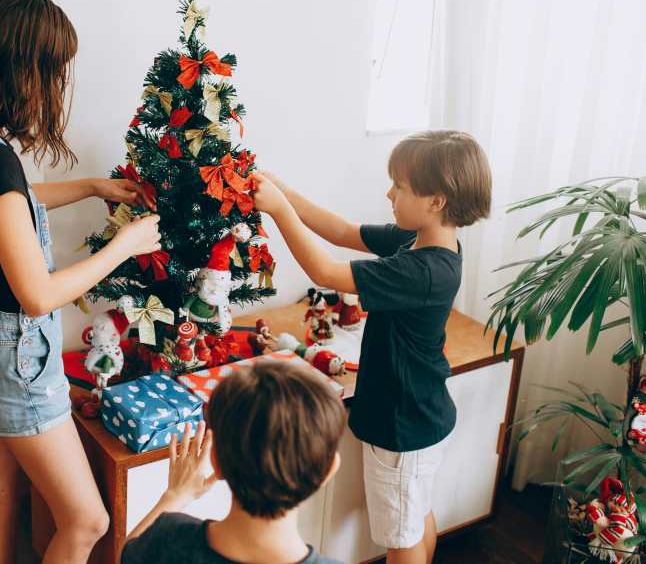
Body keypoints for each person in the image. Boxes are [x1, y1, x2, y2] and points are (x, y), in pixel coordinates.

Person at [0, 0, 161, 564]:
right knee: (87, 520)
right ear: (22, 70)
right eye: (52, 71)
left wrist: (90, 186)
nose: (55, 86)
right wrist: (125, 246)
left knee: (3, 493)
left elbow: (3, 205)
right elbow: (37, 294)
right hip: (14, 362)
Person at [252, 130, 492, 564]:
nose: (389, 192)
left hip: (402, 423)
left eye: (399, 185)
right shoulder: (425, 240)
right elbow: (342, 231)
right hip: (423, 410)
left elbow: (325, 270)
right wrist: (284, 193)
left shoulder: (422, 269)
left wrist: (278, 212)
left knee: (401, 540)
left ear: (436, 200)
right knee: (414, 518)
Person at [122, 360, 345, 564]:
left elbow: (128, 554)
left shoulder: (168, 541)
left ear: (215, 460)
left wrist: (176, 496)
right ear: (328, 471)